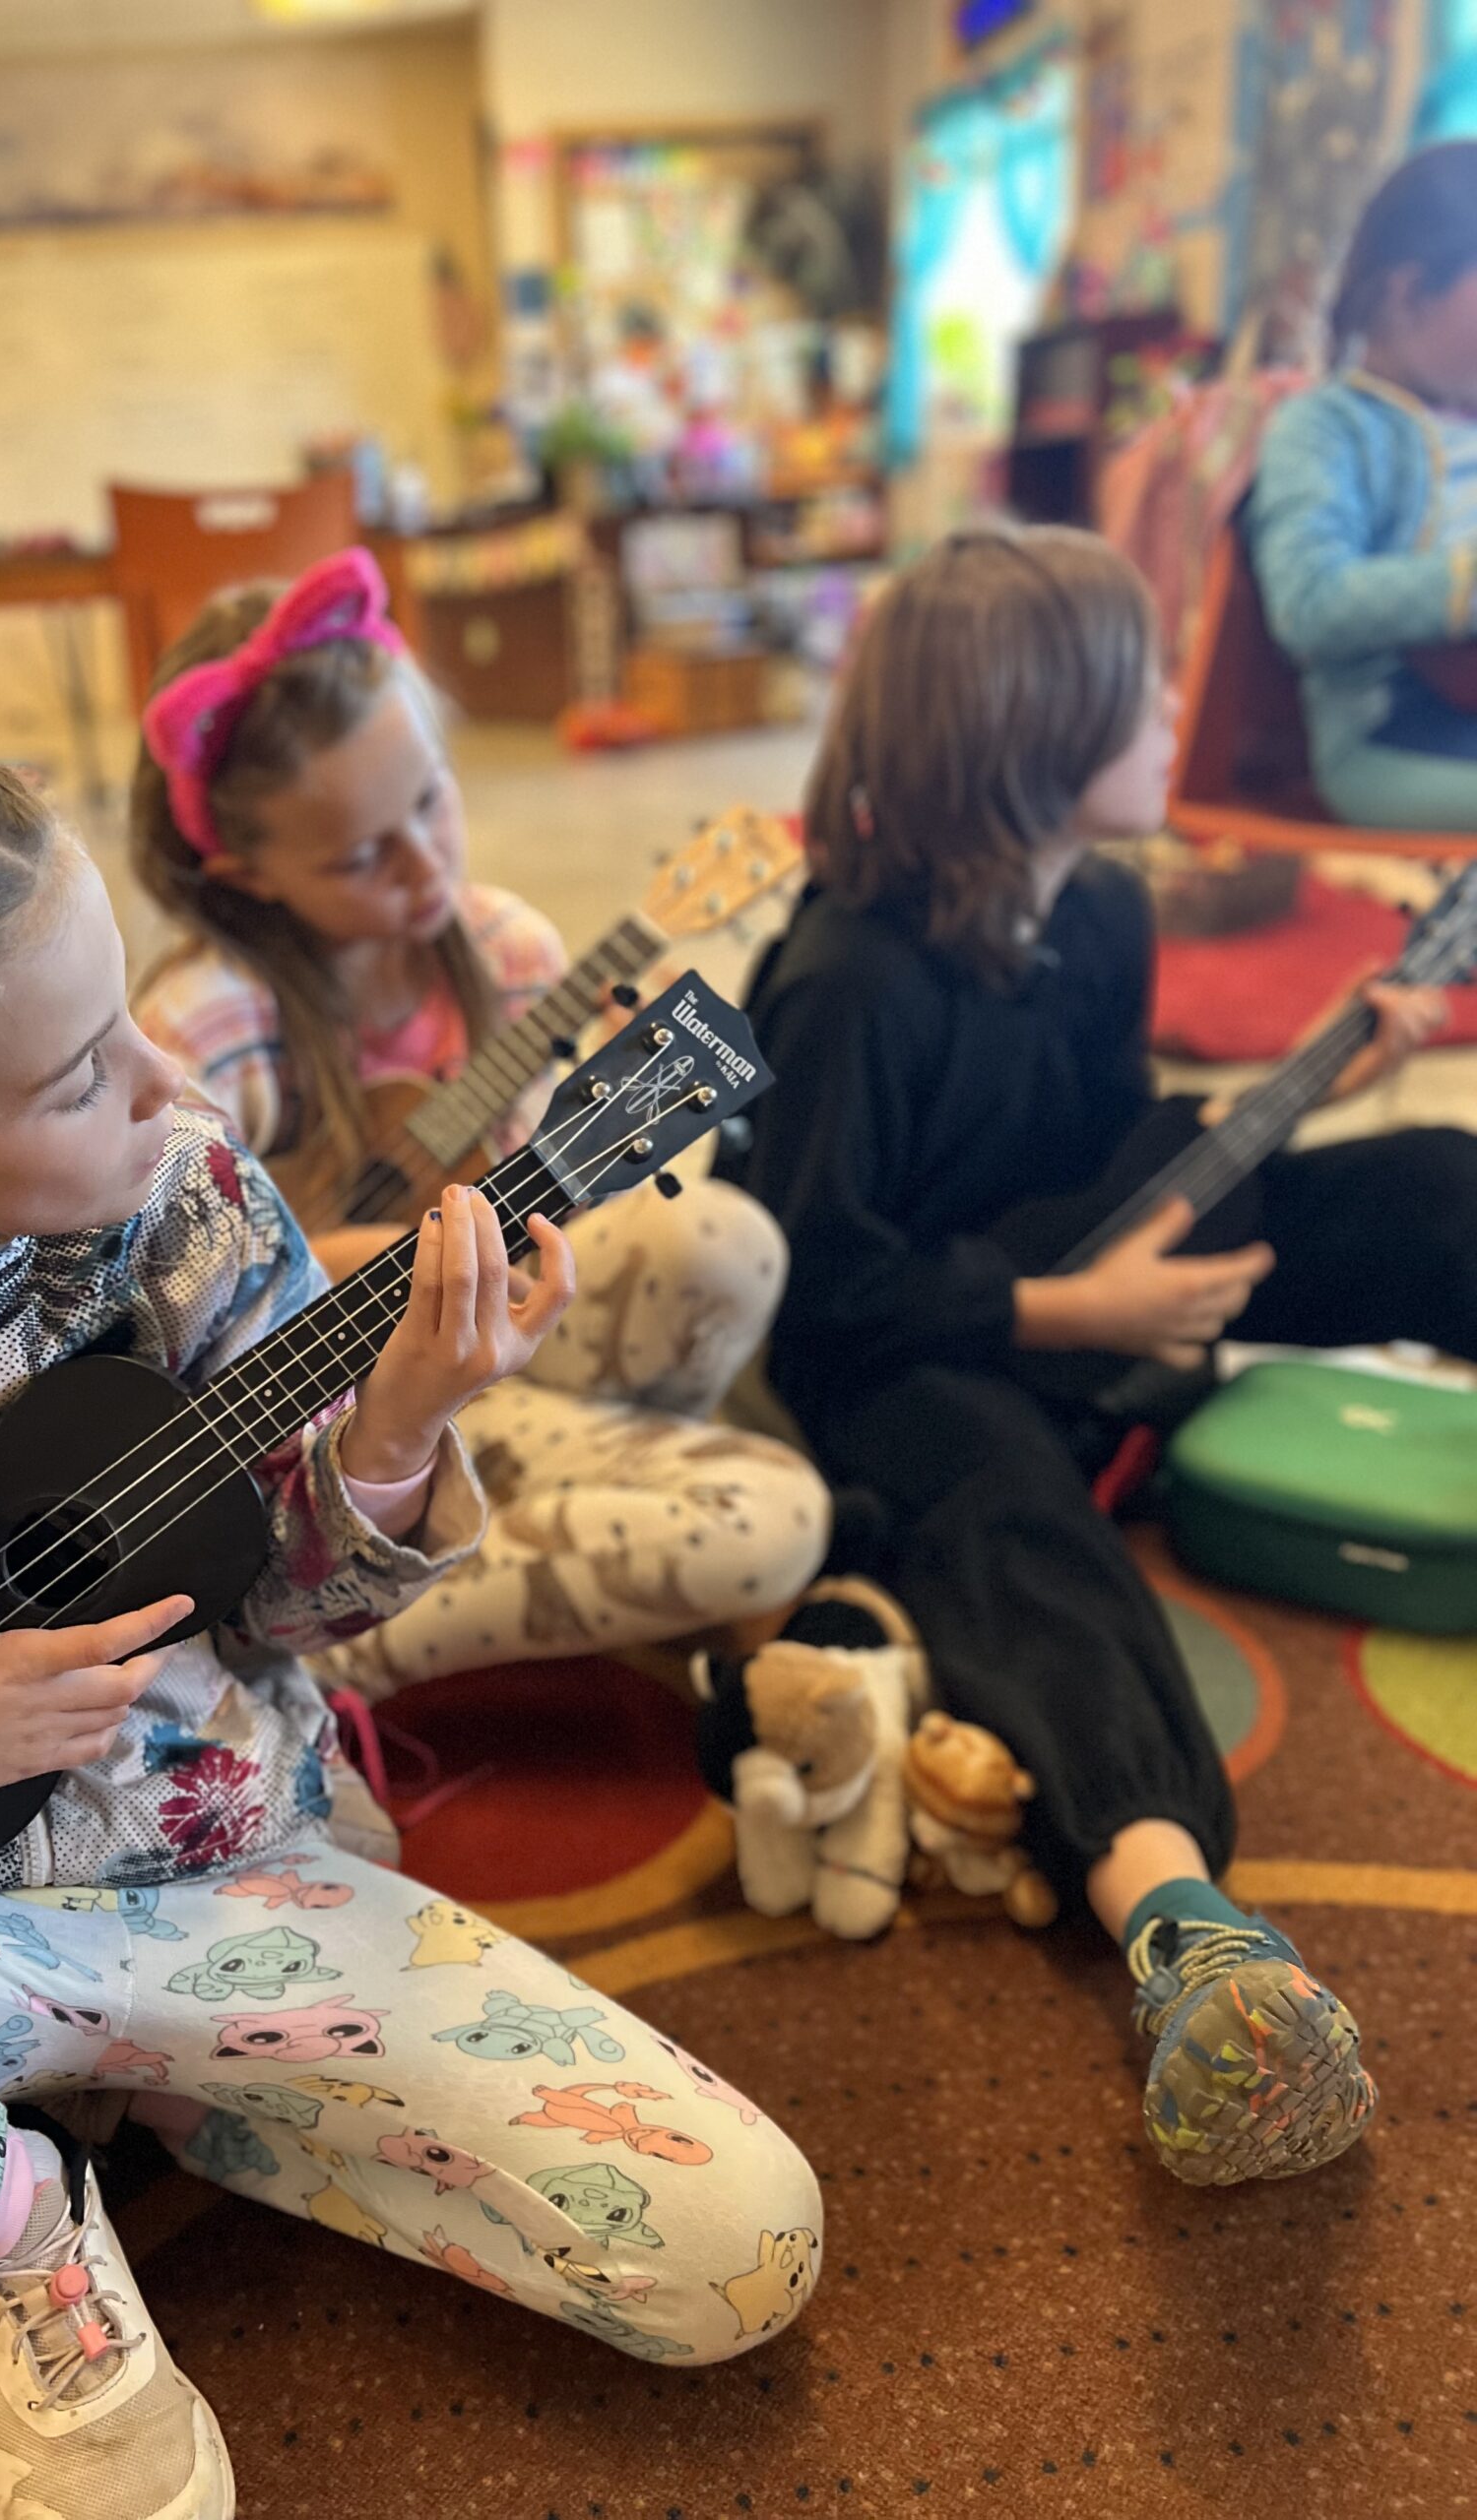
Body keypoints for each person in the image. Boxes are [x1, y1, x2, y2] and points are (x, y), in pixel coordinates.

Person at [0, 733, 822, 2520]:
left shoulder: (194, 1197)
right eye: (85, 1069)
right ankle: (10, 2218)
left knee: (736, 2249)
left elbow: (290, 1607)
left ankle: (151, 2092)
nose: (171, 1082)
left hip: (226, 1879)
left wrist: (394, 1437)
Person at [717, 526, 1477, 2186]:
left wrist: (1323, 1082)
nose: (1177, 716)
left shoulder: (1106, 909)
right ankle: (1183, 1925)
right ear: (1034, 740)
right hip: (898, 1349)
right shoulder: (844, 981)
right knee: (1019, 1524)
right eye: (1146, 696)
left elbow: (1105, 1145)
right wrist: (1075, 1321)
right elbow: (812, 1282)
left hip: (1079, 1267)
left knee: (1435, 1182)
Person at [130, 547, 830, 1697]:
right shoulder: (205, 1027)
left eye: (432, 798)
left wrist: (594, 1140)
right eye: (363, 855)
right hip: (315, 1438)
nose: (426, 865)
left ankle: (546, 1510)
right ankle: (335, 1629)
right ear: (248, 875)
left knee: (725, 1241)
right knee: (771, 1516)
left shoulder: (507, 952)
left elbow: (524, 1221)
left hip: (476, 1363)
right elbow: (165, 1331)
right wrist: (361, 1265)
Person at [1252, 139, 1477, 830]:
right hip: (1387, 741)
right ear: (1408, 293)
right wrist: (1464, 585)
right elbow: (1306, 602)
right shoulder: (1324, 425)